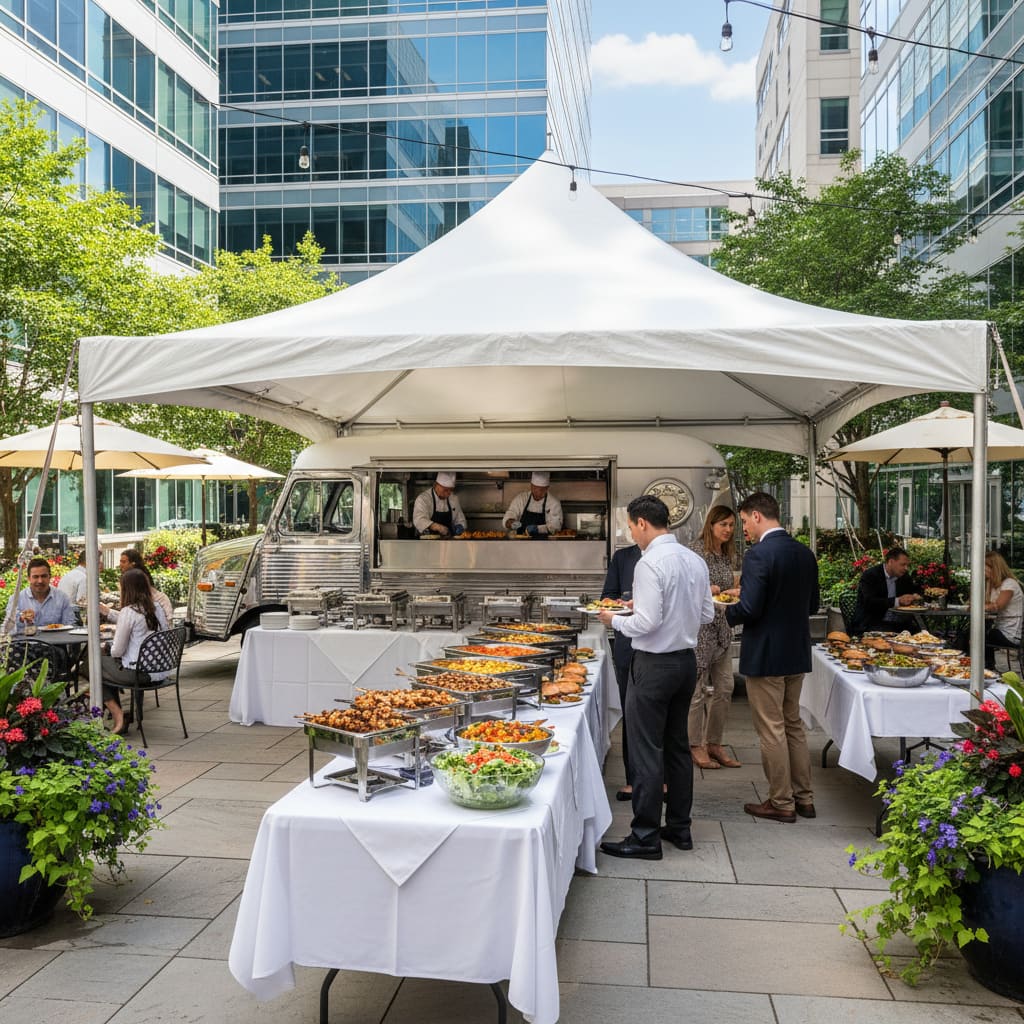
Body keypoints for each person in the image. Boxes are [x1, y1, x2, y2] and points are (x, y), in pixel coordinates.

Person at [596, 495, 714, 860]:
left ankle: (645, 837)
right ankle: (679, 827)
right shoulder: (694, 559)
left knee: (646, 750)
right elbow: (707, 614)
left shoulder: (648, 563)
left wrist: (614, 619)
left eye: (632, 526)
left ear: (643, 523)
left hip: (653, 665)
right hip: (685, 663)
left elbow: (646, 624)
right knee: (677, 747)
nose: (632, 532)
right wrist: (646, 609)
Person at [725, 493, 820, 823]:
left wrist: (725, 611)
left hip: (766, 654)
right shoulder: (805, 553)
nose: (744, 529)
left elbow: (750, 609)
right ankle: (804, 798)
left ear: (756, 516)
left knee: (771, 729)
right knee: (793, 725)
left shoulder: (758, 554)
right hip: (796, 650)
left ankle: (781, 802)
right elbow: (811, 606)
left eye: (744, 522)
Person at [688, 505, 742, 770]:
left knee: (725, 687)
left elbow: (729, 588)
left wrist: (735, 591)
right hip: (700, 630)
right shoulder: (696, 552)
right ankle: (694, 745)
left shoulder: (727, 554)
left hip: (722, 628)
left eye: (731, 525)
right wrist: (706, 588)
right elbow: (686, 587)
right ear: (711, 525)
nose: (728, 530)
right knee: (697, 691)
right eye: (723, 524)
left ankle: (714, 743)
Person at [85, 568, 168, 735]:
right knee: (103, 668)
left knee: (91, 665)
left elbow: (117, 651)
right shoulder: (157, 608)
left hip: (138, 674)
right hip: (159, 671)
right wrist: (108, 612)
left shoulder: (129, 612)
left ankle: (118, 715)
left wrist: (108, 646)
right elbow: (134, 621)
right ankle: (118, 714)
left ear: (126, 589)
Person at [601, 542, 642, 801]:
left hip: (655, 649)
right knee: (632, 716)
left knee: (663, 721)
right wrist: (617, 604)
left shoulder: (665, 558)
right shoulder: (624, 557)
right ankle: (634, 779)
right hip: (628, 645)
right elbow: (607, 594)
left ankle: (663, 781)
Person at [851, 546, 922, 634]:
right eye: (903, 564)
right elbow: (870, 602)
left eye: (907, 565)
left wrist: (915, 595)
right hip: (871, 622)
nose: (906, 568)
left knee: (922, 634)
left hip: (899, 623)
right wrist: (898, 601)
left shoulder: (904, 576)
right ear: (891, 562)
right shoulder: (870, 575)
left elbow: (915, 589)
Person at [100, 549, 174, 627]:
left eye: (124, 562)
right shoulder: (137, 607)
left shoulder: (158, 602)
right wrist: (107, 611)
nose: (120, 565)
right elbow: (130, 620)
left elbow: (132, 622)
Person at [5, 557, 74, 633]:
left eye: (43, 576)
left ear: (49, 577)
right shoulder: (16, 600)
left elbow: (69, 626)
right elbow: (8, 629)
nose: (40, 581)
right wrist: (21, 619)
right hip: (25, 640)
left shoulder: (62, 598)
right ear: (29, 578)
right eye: (35, 577)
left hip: (55, 640)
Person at [983, 551, 1023, 668]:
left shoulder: (1009, 584)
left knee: (978, 636)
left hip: (1010, 633)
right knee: (973, 634)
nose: (983, 571)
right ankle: (986, 666)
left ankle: (985, 667)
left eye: (984, 568)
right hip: (1000, 629)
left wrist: (978, 606)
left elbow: (997, 606)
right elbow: (986, 604)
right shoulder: (994, 584)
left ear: (994, 568)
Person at [503, 473, 563, 538]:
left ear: (547, 488)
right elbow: (510, 514)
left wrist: (538, 529)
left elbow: (556, 526)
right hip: (521, 541)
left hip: (544, 542)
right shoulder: (521, 498)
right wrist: (511, 523)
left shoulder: (554, 503)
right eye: (534, 488)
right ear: (531, 485)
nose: (538, 492)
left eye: (541, 490)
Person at [412, 473, 467, 538]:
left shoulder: (453, 499)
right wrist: (437, 527)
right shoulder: (423, 499)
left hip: (448, 541)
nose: (448, 493)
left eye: (451, 490)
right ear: (436, 485)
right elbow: (419, 520)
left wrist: (460, 527)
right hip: (428, 541)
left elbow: (461, 520)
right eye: (445, 490)